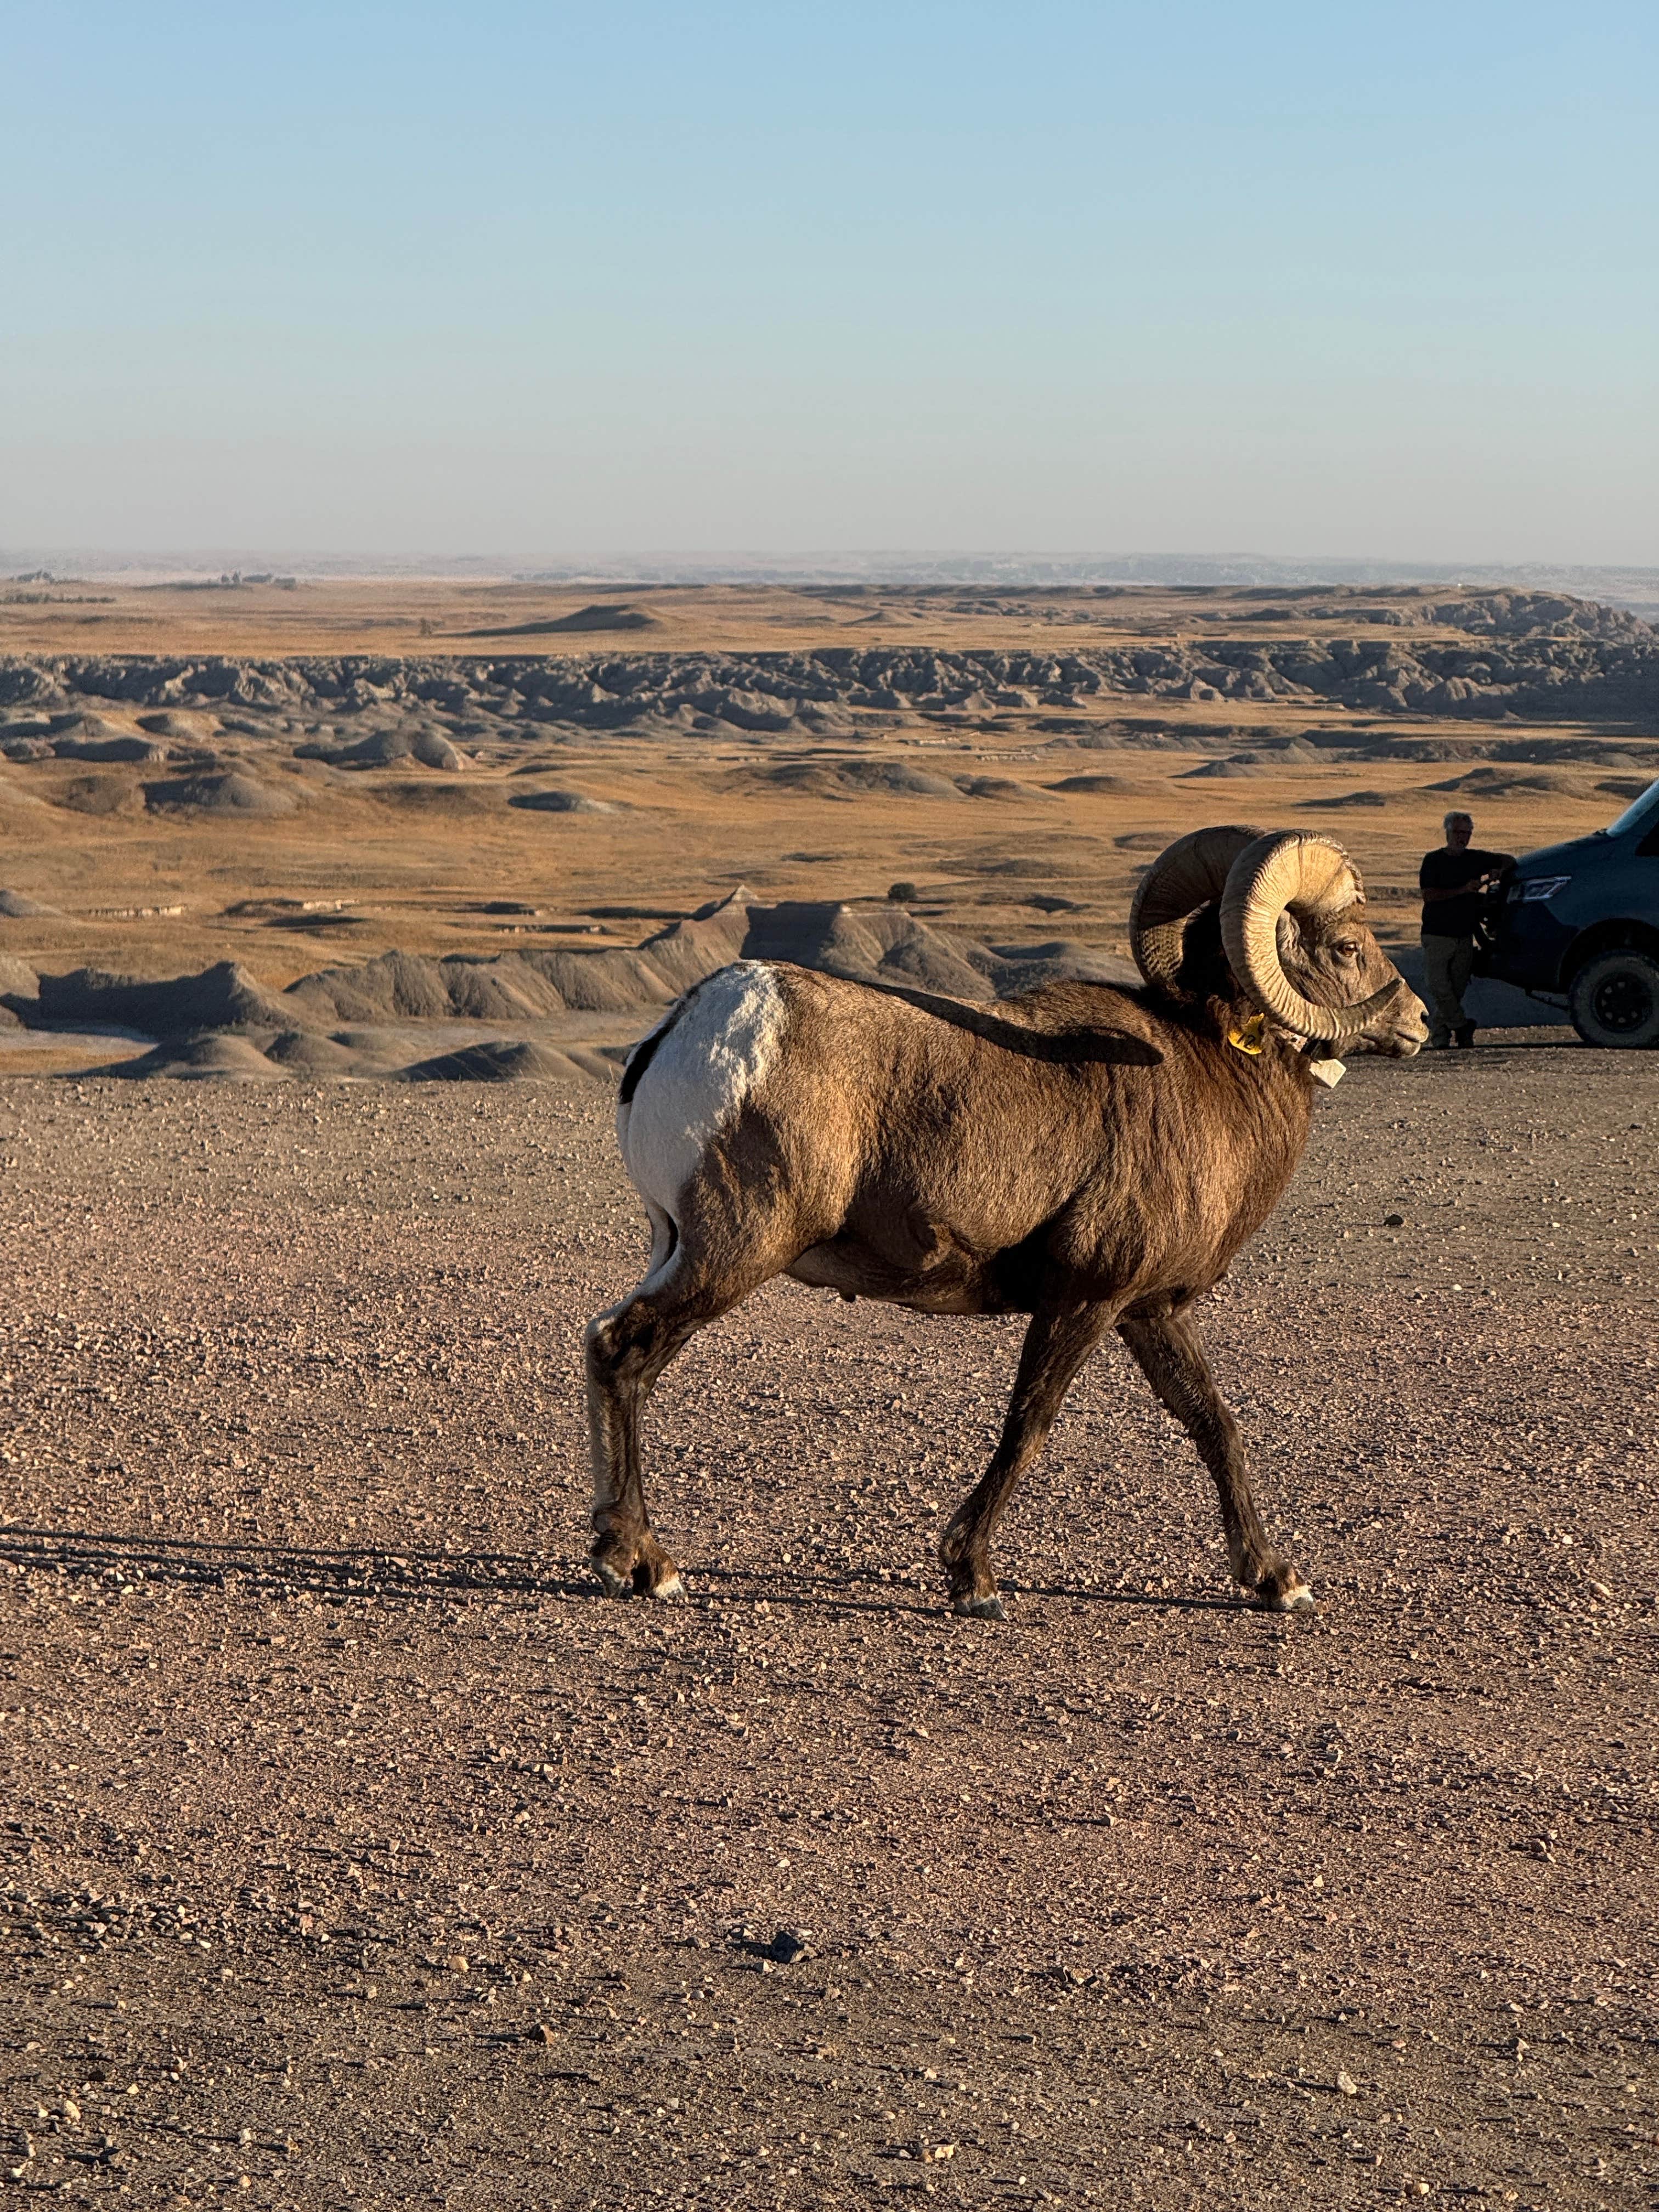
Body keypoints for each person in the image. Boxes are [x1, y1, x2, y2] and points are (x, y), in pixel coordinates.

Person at [1419, 811, 1513, 1048]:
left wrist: (1499, 871)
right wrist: (1463, 890)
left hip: (1463, 935)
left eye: (1467, 833)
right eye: (1459, 833)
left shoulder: (1475, 859)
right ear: (1448, 832)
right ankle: (1462, 1026)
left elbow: (1509, 860)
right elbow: (1429, 896)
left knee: (1455, 990)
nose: (1463, 838)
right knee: (1439, 987)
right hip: (1437, 934)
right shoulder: (1433, 861)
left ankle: (1440, 1039)